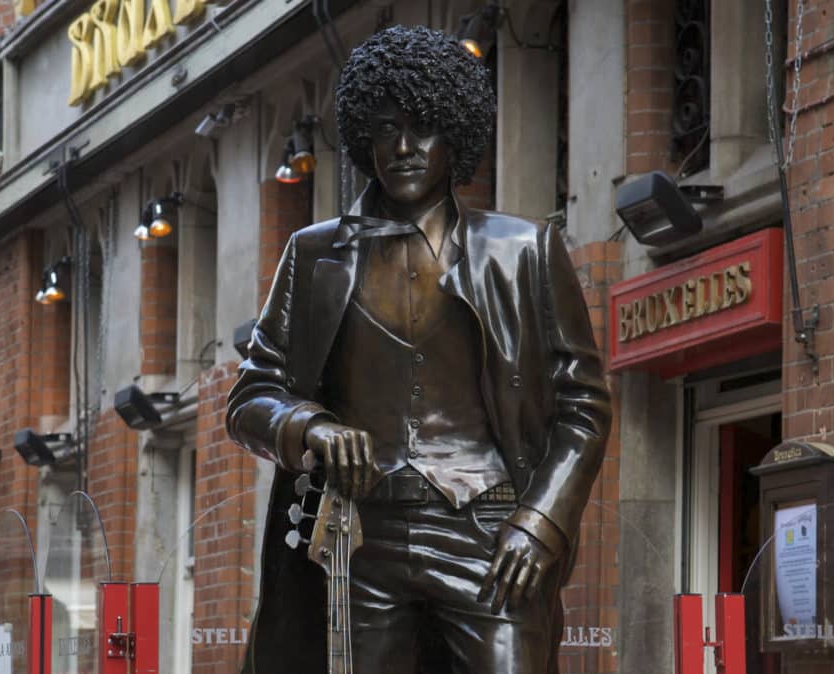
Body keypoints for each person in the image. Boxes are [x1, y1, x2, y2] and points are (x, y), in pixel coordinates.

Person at [226, 25, 611, 674]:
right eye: (383, 130)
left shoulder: (522, 251)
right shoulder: (315, 256)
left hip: (490, 538)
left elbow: (584, 407)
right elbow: (250, 397)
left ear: (454, 134)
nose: (402, 148)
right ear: (360, 139)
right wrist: (309, 424)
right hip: (360, 540)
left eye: (423, 128)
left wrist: (541, 521)